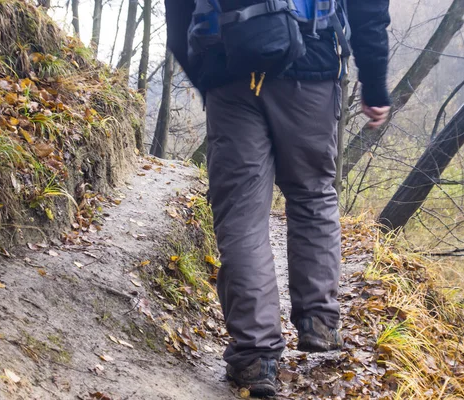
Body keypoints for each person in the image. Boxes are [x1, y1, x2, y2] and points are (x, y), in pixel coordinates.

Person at [165, 0, 391, 396]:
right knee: (313, 195)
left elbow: (178, 10)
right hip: (312, 65)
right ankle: (319, 320)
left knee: (241, 216)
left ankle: (255, 356)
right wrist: (374, 82)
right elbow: (369, 8)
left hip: (229, 69)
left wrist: (207, 76)